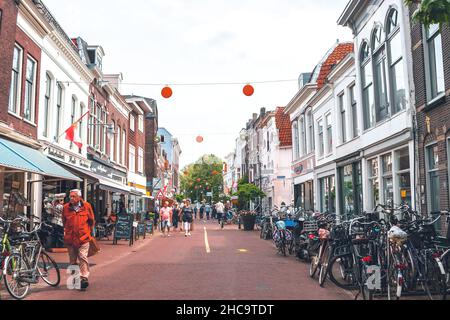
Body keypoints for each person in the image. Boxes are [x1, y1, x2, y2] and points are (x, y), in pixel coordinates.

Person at [63, 189, 95, 291]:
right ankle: (76, 278)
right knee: (72, 261)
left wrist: (88, 232)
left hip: (83, 238)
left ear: (79, 197)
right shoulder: (66, 208)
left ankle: (84, 278)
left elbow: (91, 221)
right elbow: (64, 222)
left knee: (82, 257)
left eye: (73, 196)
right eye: (70, 196)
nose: (71, 198)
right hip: (70, 239)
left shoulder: (87, 206)